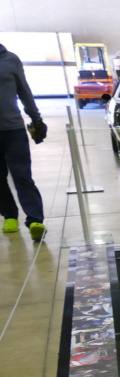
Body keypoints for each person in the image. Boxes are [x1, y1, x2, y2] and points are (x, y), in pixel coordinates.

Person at [0, 43, 47, 241]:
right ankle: (10, 215)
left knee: (22, 175)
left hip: (13, 130)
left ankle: (35, 220)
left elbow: (24, 90)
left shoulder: (10, 59)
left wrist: (36, 118)